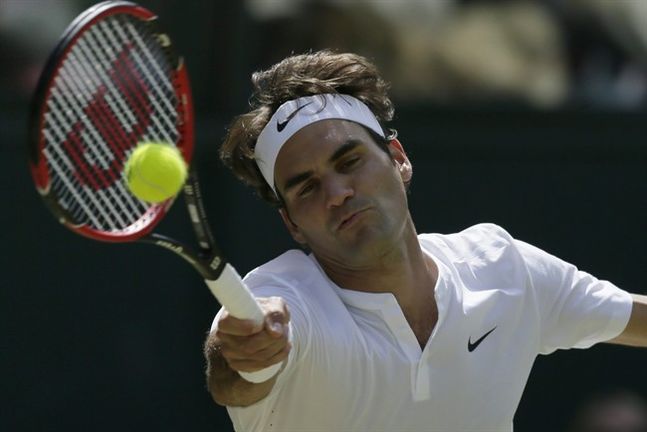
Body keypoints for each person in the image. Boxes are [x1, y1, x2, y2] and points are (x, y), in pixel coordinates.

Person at [203, 50, 646, 431]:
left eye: (350, 161)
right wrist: (242, 349)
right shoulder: (285, 299)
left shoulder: (502, 268)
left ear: (399, 160)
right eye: (307, 188)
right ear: (292, 224)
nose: (338, 193)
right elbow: (233, 375)